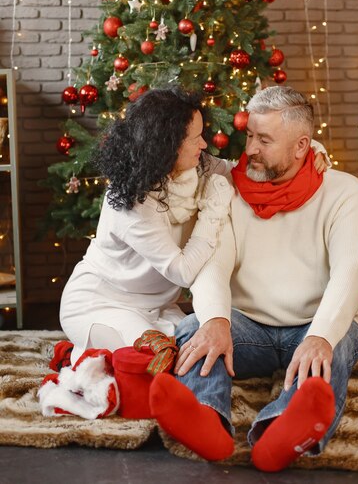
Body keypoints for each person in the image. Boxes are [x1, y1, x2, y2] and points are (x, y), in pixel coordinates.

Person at [149, 85, 358, 472]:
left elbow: (350, 275)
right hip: (248, 326)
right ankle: (207, 419)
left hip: (313, 325)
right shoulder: (229, 188)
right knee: (193, 328)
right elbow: (213, 262)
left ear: (303, 145)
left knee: (334, 349)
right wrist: (216, 321)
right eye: (250, 134)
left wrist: (320, 335)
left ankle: (283, 430)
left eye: (264, 139)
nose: (250, 147)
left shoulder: (345, 193)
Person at [59, 86, 234, 365]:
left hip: (159, 307)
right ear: (167, 144)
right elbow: (182, 272)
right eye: (195, 138)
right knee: (155, 356)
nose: (204, 145)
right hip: (98, 303)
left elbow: (240, 171)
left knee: (195, 346)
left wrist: (310, 151)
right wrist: (212, 212)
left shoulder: (196, 165)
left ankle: (97, 353)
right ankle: (82, 356)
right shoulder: (132, 203)